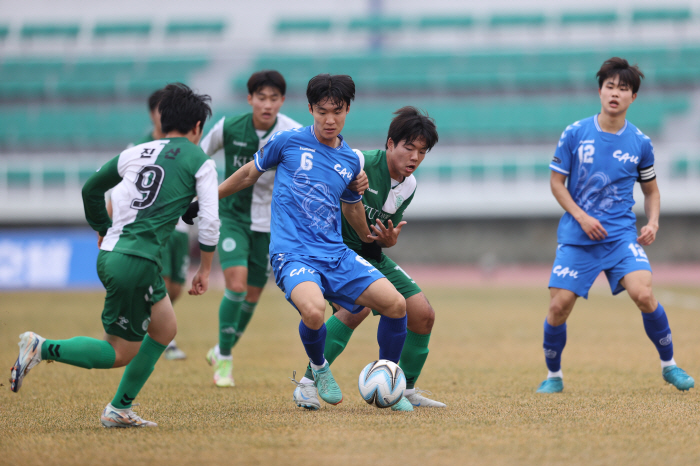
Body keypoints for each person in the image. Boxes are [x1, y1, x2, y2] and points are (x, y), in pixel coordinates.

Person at [187, 74, 411, 410]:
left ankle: (389, 383)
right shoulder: (288, 141)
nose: (329, 119)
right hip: (292, 254)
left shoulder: (351, 161)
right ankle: (318, 370)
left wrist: (369, 237)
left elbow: (351, 207)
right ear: (310, 108)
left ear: (348, 109)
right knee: (313, 310)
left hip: (334, 254)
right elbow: (249, 173)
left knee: (396, 305)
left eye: (337, 111)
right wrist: (208, 199)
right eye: (322, 111)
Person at [9, 83, 221, 428]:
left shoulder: (137, 151)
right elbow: (209, 220)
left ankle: (119, 409)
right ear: (198, 127)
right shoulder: (201, 162)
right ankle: (41, 347)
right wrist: (206, 267)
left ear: (163, 121)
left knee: (165, 328)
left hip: (119, 254)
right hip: (136, 263)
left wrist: (101, 225)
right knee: (120, 351)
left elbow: (91, 188)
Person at [537, 57, 694, 393]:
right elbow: (556, 183)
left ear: (632, 97)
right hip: (578, 237)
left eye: (623, 89)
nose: (615, 93)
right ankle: (553, 376)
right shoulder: (576, 133)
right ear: (600, 90)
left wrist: (652, 222)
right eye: (610, 86)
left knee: (644, 293)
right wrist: (581, 216)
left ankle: (670, 366)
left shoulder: (640, 143)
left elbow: (651, 192)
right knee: (558, 306)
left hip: (621, 238)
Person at [290, 106, 445, 411]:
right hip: (334, 252)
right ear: (390, 144)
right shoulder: (358, 161)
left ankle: (403, 388)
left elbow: (376, 236)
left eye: (422, 152)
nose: (414, 157)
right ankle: (307, 385)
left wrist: (386, 240)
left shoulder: (408, 186)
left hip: (368, 254)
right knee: (356, 310)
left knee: (423, 314)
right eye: (408, 147)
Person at [198, 70, 301, 386]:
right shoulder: (228, 127)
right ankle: (225, 362)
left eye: (274, 99)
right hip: (233, 217)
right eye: (261, 98)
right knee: (237, 285)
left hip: (272, 225)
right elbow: (198, 158)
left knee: (252, 296)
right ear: (250, 99)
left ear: (282, 101)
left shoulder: (294, 133)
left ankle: (221, 348)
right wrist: (199, 195)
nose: (267, 105)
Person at [113, 88, 191, 360]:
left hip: (180, 228)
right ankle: (158, 337)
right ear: (152, 114)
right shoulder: (137, 149)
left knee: (177, 287)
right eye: (160, 110)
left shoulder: (186, 147)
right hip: (153, 228)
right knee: (163, 283)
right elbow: (119, 188)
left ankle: (155, 331)